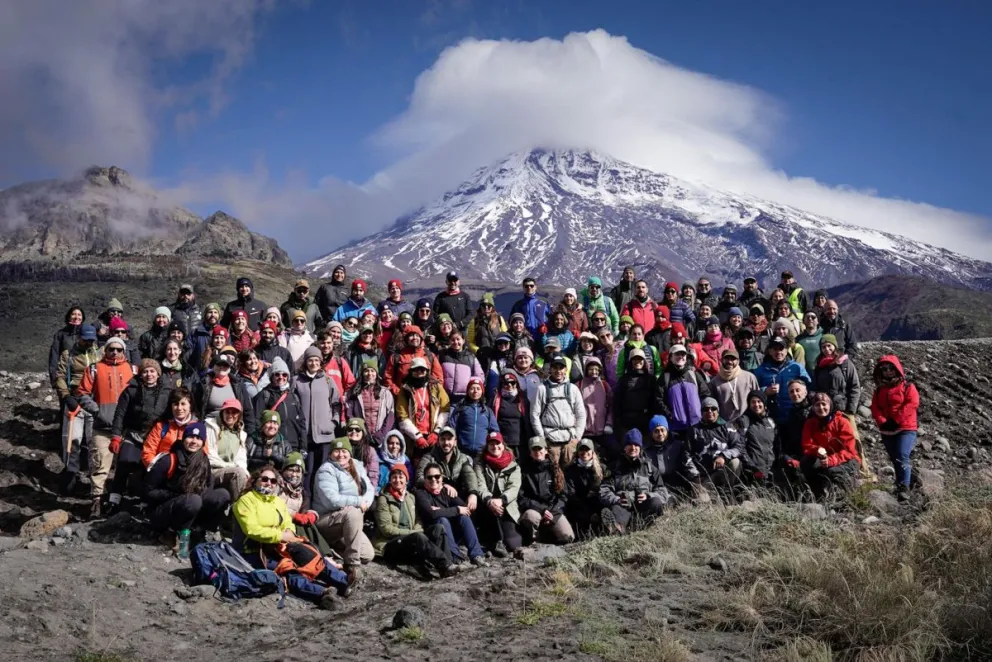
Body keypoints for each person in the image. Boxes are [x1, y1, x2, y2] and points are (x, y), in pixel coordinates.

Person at [233, 465, 350, 609]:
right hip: (255, 551)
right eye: (264, 479)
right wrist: (281, 535)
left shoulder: (276, 501)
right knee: (287, 569)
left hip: (278, 545)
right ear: (255, 480)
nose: (269, 483)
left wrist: (289, 533)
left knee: (310, 556)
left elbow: (287, 522)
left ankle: (344, 582)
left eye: (273, 481)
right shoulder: (245, 501)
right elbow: (252, 530)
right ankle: (322, 593)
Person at [145, 422, 231, 560]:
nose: (194, 441)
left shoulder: (203, 461)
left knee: (222, 495)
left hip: (191, 506)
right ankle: (175, 536)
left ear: (203, 442)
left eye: (198, 438)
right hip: (163, 511)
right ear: (184, 438)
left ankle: (200, 531)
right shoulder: (169, 460)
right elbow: (149, 491)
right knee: (193, 500)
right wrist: (175, 495)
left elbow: (208, 486)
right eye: (190, 437)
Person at [77, 336, 135, 518]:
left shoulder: (132, 369)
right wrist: (97, 411)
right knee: (100, 465)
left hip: (125, 429)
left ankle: (118, 501)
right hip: (102, 427)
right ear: (106, 350)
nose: (115, 352)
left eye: (119, 349)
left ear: (124, 351)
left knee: (125, 466)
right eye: (111, 349)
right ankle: (97, 501)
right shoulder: (94, 368)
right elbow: (81, 393)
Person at [108, 358, 171, 511]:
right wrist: (116, 435)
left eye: (152, 371)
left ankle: (144, 501)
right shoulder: (131, 390)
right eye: (145, 372)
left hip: (155, 437)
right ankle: (114, 499)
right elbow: (120, 414)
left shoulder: (167, 392)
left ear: (158, 374)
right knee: (124, 462)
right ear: (140, 374)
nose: (149, 374)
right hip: (134, 434)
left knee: (149, 468)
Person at [374, 464, 458, 579]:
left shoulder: (411, 498)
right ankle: (445, 565)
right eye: (394, 477)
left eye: (401, 477)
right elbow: (386, 529)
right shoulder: (383, 499)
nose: (397, 480)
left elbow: (418, 520)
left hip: (412, 537)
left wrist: (416, 531)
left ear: (406, 480)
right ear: (390, 480)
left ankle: (447, 566)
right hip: (390, 544)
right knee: (418, 537)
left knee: (438, 528)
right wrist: (412, 533)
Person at [313, 438, 376, 584]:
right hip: (326, 520)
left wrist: (365, 502)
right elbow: (331, 500)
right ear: (330, 454)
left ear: (349, 452)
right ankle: (351, 565)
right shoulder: (326, 470)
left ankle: (333, 549)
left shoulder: (357, 466)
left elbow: (369, 488)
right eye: (336, 451)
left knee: (368, 554)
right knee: (353, 513)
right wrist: (357, 502)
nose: (340, 455)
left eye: (344, 451)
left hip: (348, 519)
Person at [55, 323, 100, 494]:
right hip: (74, 401)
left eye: (91, 340)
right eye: (86, 339)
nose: (89, 343)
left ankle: (95, 478)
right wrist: (66, 396)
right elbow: (60, 376)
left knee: (94, 442)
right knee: (72, 439)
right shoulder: (68, 355)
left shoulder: (99, 354)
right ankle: (71, 473)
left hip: (94, 402)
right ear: (79, 337)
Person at [415, 462, 487, 567]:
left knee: (463, 517)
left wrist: (442, 510)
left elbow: (464, 508)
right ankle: (456, 558)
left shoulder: (446, 491)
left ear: (442, 477)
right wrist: (454, 510)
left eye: (437, 476)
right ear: (425, 479)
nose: (433, 479)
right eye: (429, 477)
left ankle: (476, 555)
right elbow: (432, 514)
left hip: (452, 534)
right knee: (442, 519)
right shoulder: (421, 494)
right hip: (435, 536)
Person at [870, 355, 920, 502]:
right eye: (884, 369)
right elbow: (875, 407)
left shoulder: (907, 386)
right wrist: (883, 421)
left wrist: (896, 420)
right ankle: (901, 485)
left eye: (891, 368)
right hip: (887, 429)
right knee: (895, 458)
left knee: (902, 455)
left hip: (905, 428)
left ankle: (904, 487)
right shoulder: (879, 390)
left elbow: (912, 403)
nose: (888, 371)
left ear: (897, 368)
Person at [599, 430, 667, 535]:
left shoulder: (650, 468)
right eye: (629, 444)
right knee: (615, 509)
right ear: (624, 448)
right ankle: (618, 529)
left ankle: (642, 527)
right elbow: (604, 491)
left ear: (640, 447)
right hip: (623, 508)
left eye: (636, 444)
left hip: (643, 509)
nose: (633, 448)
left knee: (656, 503)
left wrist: (648, 495)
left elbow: (662, 491)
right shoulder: (613, 468)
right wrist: (617, 500)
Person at [294, 346, 344, 489]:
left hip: (325, 435)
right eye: (310, 360)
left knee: (323, 471)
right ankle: (306, 498)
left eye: (316, 360)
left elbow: (336, 404)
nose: (313, 363)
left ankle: (321, 498)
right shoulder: (296, 381)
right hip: (305, 436)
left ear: (320, 362)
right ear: (306, 362)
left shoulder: (328, 380)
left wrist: (333, 423)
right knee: (307, 472)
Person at [531, 353, 586, 468]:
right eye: (555, 367)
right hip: (550, 439)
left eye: (561, 367)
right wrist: (542, 437)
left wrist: (577, 437)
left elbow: (581, 414)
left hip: (570, 440)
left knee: (570, 472)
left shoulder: (573, 389)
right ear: (550, 369)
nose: (558, 371)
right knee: (553, 471)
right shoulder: (541, 389)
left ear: (566, 370)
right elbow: (534, 414)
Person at [472, 432, 523, 557]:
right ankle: (493, 543)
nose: (495, 446)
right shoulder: (480, 464)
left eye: (497, 443)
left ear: (503, 445)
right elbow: (481, 485)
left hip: (507, 507)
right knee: (490, 536)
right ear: (487, 446)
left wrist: (501, 500)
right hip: (487, 506)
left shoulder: (514, 465)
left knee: (513, 544)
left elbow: (514, 487)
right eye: (491, 444)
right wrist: (490, 500)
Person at [801, 392, 860, 499]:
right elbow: (807, 445)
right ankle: (818, 495)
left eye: (824, 404)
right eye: (817, 405)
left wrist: (831, 460)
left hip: (847, 460)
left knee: (832, 471)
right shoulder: (810, 423)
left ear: (830, 405)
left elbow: (849, 450)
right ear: (813, 407)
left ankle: (846, 494)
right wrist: (818, 450)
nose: (821, 407)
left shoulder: (842, 422)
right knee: (806, 463)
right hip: (824, 458)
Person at [518, 437, 575, 545]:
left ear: (545, 450)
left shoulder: (555, 469)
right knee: (530, 516)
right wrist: (542, 510)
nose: (537, 452)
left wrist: (552, 513)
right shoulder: (524, 471)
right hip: (535, 510)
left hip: (554, 511)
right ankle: (535, 541)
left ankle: (549, 536)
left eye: (540, 449)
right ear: (530, 453)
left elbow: (563, 496)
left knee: (568, 537)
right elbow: (522, 498)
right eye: (534, 449)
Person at [395, 357, 451, 458]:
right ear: (411, 372)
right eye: (416, 370)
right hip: (413, 438)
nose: (419, 372)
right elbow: (402, 416)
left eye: (422, 370)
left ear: (427, 371)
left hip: (432, 436)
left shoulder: (436, 387)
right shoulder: (405, 390)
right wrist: (417, 436)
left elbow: (445, 410)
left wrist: (436, 432)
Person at [192, 351, 257, 432]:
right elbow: (196, 409)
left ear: (229, 368)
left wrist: (250, 432)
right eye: (219, 365)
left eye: (225, 365)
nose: (221, 367)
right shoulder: (204, 384)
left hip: (233, 426)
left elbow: (248, 410)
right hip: (210, 426)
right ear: (213, 366)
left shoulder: (238, 385)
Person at [688, 398, 745, 490]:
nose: (710, 411)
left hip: (724, 471)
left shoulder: (728, 427)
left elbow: (739, 447)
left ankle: (728, 491)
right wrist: (695, 475)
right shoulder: (694, 430)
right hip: (703, 476)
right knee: (702, 498)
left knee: (735, 462)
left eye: (713, 408)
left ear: (718, 411)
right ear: (701, 412)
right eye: (706, 409)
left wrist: (723, 456)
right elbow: (686, 454)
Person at [752, 337, 811, 425]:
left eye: (781, 349)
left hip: (795, 415)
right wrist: (765, 391)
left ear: (786, 350)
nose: (778, 352)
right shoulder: (760, 371)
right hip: (771, 417)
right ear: (770, 351)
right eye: (775, 349)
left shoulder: (797, 367)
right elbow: (753, 392)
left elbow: (809, 387)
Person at [253, 357, 306, 454]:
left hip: (294, 446)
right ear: (272, 377)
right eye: (277, 374)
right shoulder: (265, 395)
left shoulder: (294, 396)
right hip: (273, 446)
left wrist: (303, 446)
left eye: (284, 374)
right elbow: (257, 421)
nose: (281, 377)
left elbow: (302, 423)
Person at [656, 344, 711, 438]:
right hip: (676, 429)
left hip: (698, 425)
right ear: (671, 357)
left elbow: (705, 395)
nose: (680, 357)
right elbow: (658, 400)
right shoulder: (665, 377)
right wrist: (670, 415)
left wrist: (702, 413)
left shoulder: (694, 374)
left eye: (683, 354)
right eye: (677, 354)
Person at [643, 415, 701, 501]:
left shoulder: (678, 445)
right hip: (658, 487)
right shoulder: (646, 452)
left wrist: (696, 480)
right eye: (656, 431)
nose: (660, 434)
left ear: (667, 430)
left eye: (662, 430)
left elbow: (689, 464)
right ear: (651, 434)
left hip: (679, 485)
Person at [612, 348, 656, 453]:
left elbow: (654, 400)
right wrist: (618, 420)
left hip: (645, 420)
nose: (637, 362)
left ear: (644, 361)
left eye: (640, 359)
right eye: (634, 359)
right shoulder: (624, 380)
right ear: (630, 362)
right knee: (628, 450)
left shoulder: (651, 379)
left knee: (645, 450)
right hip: (626, 421)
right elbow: (617, 401)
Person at [205, 398, 250, 500]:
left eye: (234, 412)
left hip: (231, 470)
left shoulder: (241, 435)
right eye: (227, 412)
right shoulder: (211, 427)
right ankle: (240, 506)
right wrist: (230, 466)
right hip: (212, 470)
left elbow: (241, 460)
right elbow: (209, 455)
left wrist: (246, 474)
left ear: (239, 415)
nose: (230, 415)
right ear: (222, 413)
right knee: (238, 473)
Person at [142, 387, 198, 467]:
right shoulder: (161, 426)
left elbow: (203, 454)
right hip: (162, 469)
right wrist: (155, 467)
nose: (179, 408)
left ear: (190, 406)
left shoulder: (197, 428)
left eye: (183, 404)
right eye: (176, 404)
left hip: (187, 470)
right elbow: (148, 451)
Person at [344, 361, 395, 449]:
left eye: (372, 371)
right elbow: (349, 414)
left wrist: (381, 434)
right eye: (366, 371)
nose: (369, 374)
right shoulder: (354, 392)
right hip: (360, 437)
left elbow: (390, 416)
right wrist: (360, 431)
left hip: (380, 438)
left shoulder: (385, 393)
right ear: (362, 374)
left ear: (376, 373)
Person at [384, 325, 443, 395]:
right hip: (403, 396)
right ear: (406, 339)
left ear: (421, 338)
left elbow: (438, 378)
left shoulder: (430, 356)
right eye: (411, 335)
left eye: (417, 335)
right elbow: (388, 377)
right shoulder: (396, 357)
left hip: (425, 397)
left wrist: (433, 393)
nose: (415, 338)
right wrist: (399, 393)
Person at [449, 377, 500, 457]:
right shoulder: (460, 409)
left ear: (482, 391)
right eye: (472, 388)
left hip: (482, 453)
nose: (475, 391)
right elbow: (452, 427)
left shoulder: (487, 411)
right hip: (462, 452)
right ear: (468, 391)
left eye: (478, 389)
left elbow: (495, 431)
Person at [708, 349, 759, 429]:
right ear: (722, 360)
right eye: (727, 358)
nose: (730, 362)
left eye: (733, 359)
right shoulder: (714, 381)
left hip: (748, 422)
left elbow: (758, 398)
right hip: (725, 425)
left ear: (738, 361)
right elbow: (712, 405)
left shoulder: (749, 377)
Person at [563, 439, 604, 535]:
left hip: (597, 503)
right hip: (578, 505)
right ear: (577, 452)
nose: (584, 452)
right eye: (582, 450)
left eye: (587, 450)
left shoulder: (602, 468)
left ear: (592, 452)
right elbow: (570, 494)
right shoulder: (570, 470)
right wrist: (587, 511)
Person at [780, 379, 814, 492]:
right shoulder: (792, 412)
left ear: (805, 392)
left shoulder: (815, 410)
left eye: (797, 390)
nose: (795, 394)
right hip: (799, 452)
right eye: (791, 392)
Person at [740, 391, 778, 485]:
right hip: (753, 471)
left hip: (772, 469)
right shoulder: (744, 421)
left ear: (764, 403)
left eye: (759, 401)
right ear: (749, 405)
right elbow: (740, 447)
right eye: (753, 402)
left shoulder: (771, 421)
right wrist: (752, 468)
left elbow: (777, 445)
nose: (756, 405)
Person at [489, 371, 532, 455]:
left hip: (521, 442)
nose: (509, 385)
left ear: (517, 383)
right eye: (506, 383)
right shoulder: (495, 399)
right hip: (503, 442)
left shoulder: (523, 399)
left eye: (512, 382)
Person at [439, 331, 484, 404]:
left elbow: (479, 376)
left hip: (464, 399)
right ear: (449, 341)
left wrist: (471, 387)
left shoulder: (470, 357)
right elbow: (437, 373)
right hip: (445, 396)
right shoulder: (443, 356)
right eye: (453, 340)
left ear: (463, 340)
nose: (456, 342)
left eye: (458, 339)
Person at [579, 357, 613, 451]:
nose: (594, 372)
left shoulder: (605, 385)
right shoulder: (579, 385)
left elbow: (611, 407)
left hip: (603, 431)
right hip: (585, 432)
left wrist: (609, 424)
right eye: (591, 369)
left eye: (596, 369)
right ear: (586, 370)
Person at [49, 306, 85, 388]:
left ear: (82, 318)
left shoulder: (86, 334)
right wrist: (53, 377)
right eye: (73, 314)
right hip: (65, 374)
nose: (76, 317)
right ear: (69, 316)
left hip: (83, 375)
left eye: (79, 315)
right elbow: (54, 355)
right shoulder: (61, 334)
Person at [341, 418, 379, 493]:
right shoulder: (340, 450)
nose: (353, 431)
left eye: (357, 429)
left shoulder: (370, 451)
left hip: (363, 489)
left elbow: (373, 475)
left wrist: (370, 493)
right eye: (350, 429)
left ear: (363, 433)